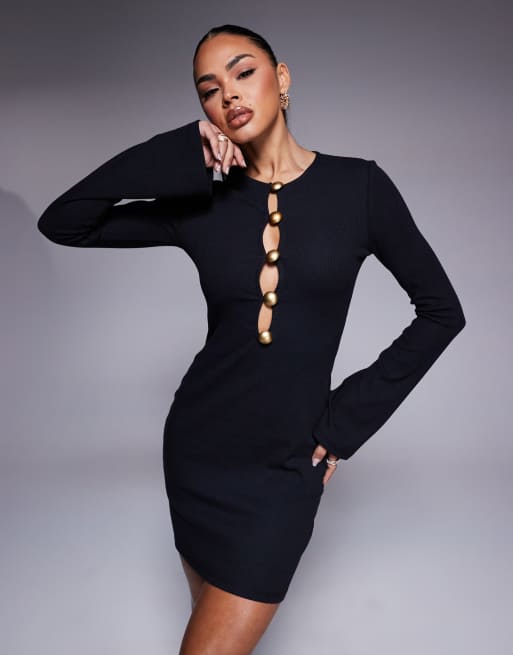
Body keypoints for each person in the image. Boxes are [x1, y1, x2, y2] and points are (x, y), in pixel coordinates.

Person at [37, 23, 466, 655]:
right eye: (208, 90)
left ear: (281, 78)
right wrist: (178, 149)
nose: (229, 95)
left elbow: (441, 312)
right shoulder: (200, 202)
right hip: (200, 451)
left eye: (243, 73)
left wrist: (343, 423)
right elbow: (65, 222)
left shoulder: (360, 188)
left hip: (286, 467)